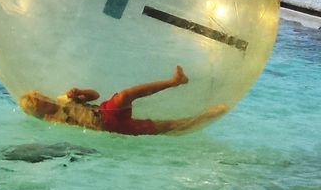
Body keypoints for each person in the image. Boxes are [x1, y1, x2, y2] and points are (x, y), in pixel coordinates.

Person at [18, 66, 228, 135]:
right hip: (110, 128)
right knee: (167, 127)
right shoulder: (52, 120)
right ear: (38, 109)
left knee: (125, 95)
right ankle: (209, 115)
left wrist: (80, 92)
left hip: (105, 112)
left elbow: (95, 96)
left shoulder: (62, 100)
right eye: (38, 100)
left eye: (40, 95)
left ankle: (175, 82)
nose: (43, 97)